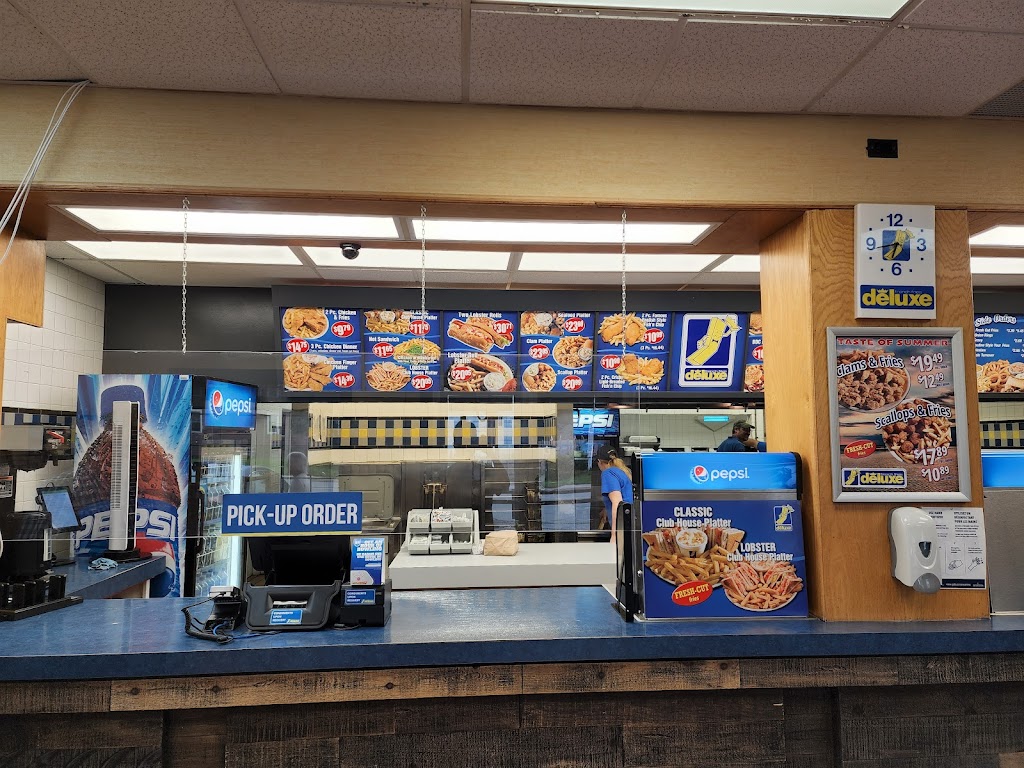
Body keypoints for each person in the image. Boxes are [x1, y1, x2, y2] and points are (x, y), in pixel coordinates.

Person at [596, 444, 633, 536]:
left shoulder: (608, 473)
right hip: (629, 522)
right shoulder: (622, 472)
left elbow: (617, 502)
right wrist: (607, 509)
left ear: (599, 461)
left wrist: (614, 535)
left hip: (622, 527)